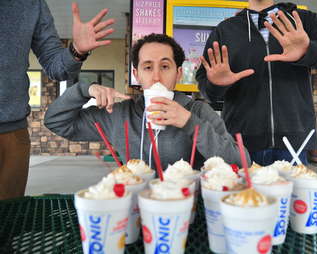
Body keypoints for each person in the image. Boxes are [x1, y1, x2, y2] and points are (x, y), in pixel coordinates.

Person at [44, 33, 250, 171]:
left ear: (178, 73)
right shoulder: (118, 113)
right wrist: (84, 89)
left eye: (165, 66)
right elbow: (55, 122)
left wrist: (190, 123)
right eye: (148, 67)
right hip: (133, 211)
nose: (157, 77)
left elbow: (242, 163)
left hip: (188, 210)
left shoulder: (198, 111)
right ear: (137, 75)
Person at [196, 0, 317, 166]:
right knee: (242, 193)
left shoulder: (301, 20)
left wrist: (308, 50)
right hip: (241, 143)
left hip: (294, 144)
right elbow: (206, 87)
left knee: (293, 192)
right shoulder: (226, 30)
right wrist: (215, 84)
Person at [0, 0, 115, 200]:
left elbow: (56, 66)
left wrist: (77, 51)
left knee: (9, 217)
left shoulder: (31, 5)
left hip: (12, 134)